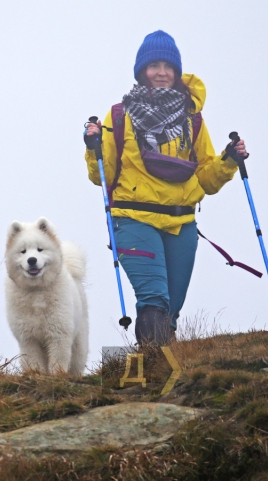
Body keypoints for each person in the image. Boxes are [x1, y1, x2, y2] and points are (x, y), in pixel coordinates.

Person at [85, 30, 248, 347]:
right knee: (154, 301)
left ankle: (163, 372)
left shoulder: (192, 118)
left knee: (170, 310)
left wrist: (228, 160)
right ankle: (152, 368)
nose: (161, 72)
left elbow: (205, 178)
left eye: (167, 66)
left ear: (176, 72)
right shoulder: (120, 116)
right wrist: (93, 147)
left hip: (182, 223)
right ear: (142, 72)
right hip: (132, 219)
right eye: (154, 65)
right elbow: (101, 176)